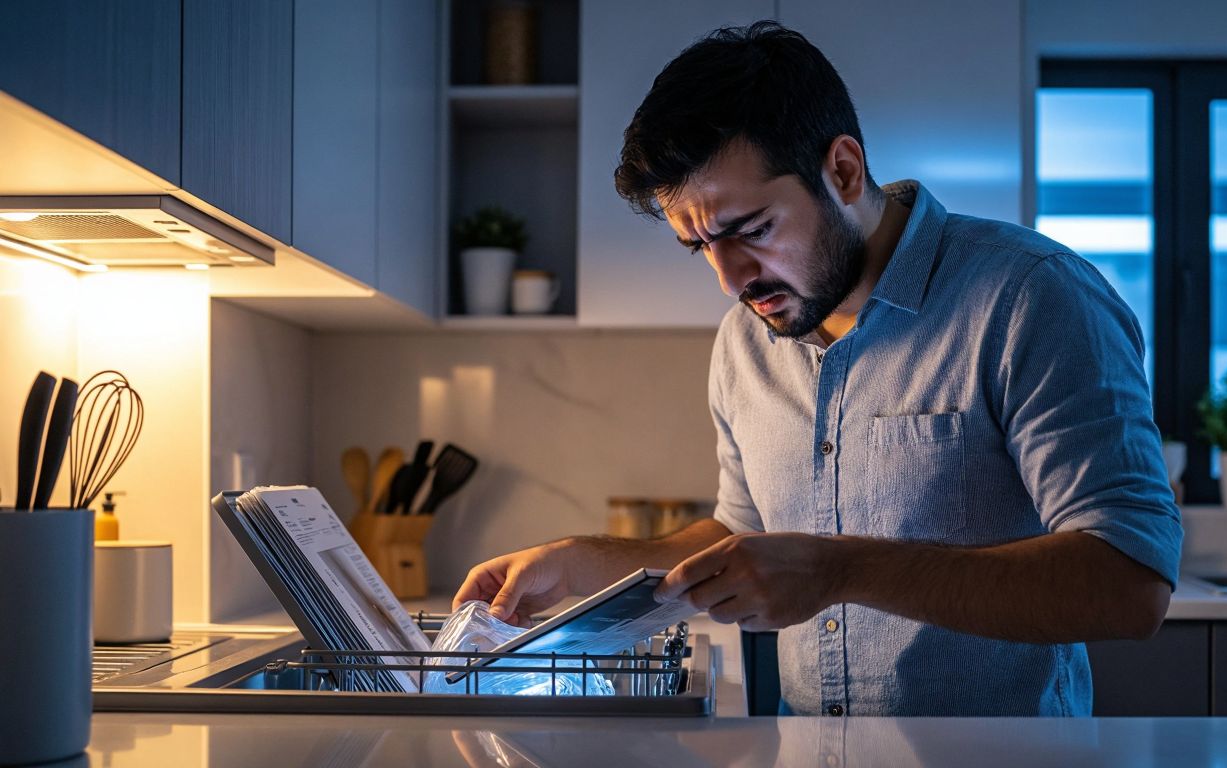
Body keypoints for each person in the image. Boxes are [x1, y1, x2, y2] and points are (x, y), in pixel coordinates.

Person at [455, 21, 1182, 717]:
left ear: (841, 169)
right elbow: (738, 538)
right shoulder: (746, 342)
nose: (729, 278)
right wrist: (585, 564)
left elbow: (1128, 582)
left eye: (753, 230)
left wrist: (842, 571)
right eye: (700, 246)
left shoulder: (1031, 296)